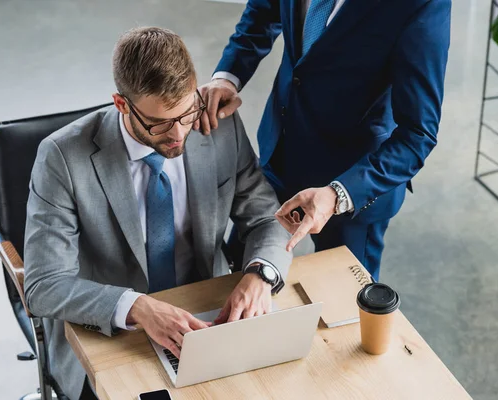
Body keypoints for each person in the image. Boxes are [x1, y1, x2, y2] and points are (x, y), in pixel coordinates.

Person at [23, 27, 292, 400]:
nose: (180, 134)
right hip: (113, 333)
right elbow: (43, 285)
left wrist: (262, 273)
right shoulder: (62, 158)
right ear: (121, 104)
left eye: (186, 114)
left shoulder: (218, 124)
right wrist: (135, 307)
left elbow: (266, 218)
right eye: (160, 124)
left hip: (207, 316)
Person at [197, 0, 451, 280]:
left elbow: (417, 134)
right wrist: (227, 77)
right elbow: (264, 9)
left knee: (342, 308)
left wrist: (338, 194)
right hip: (280, 150)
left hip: (351, 184)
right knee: (233, 278)